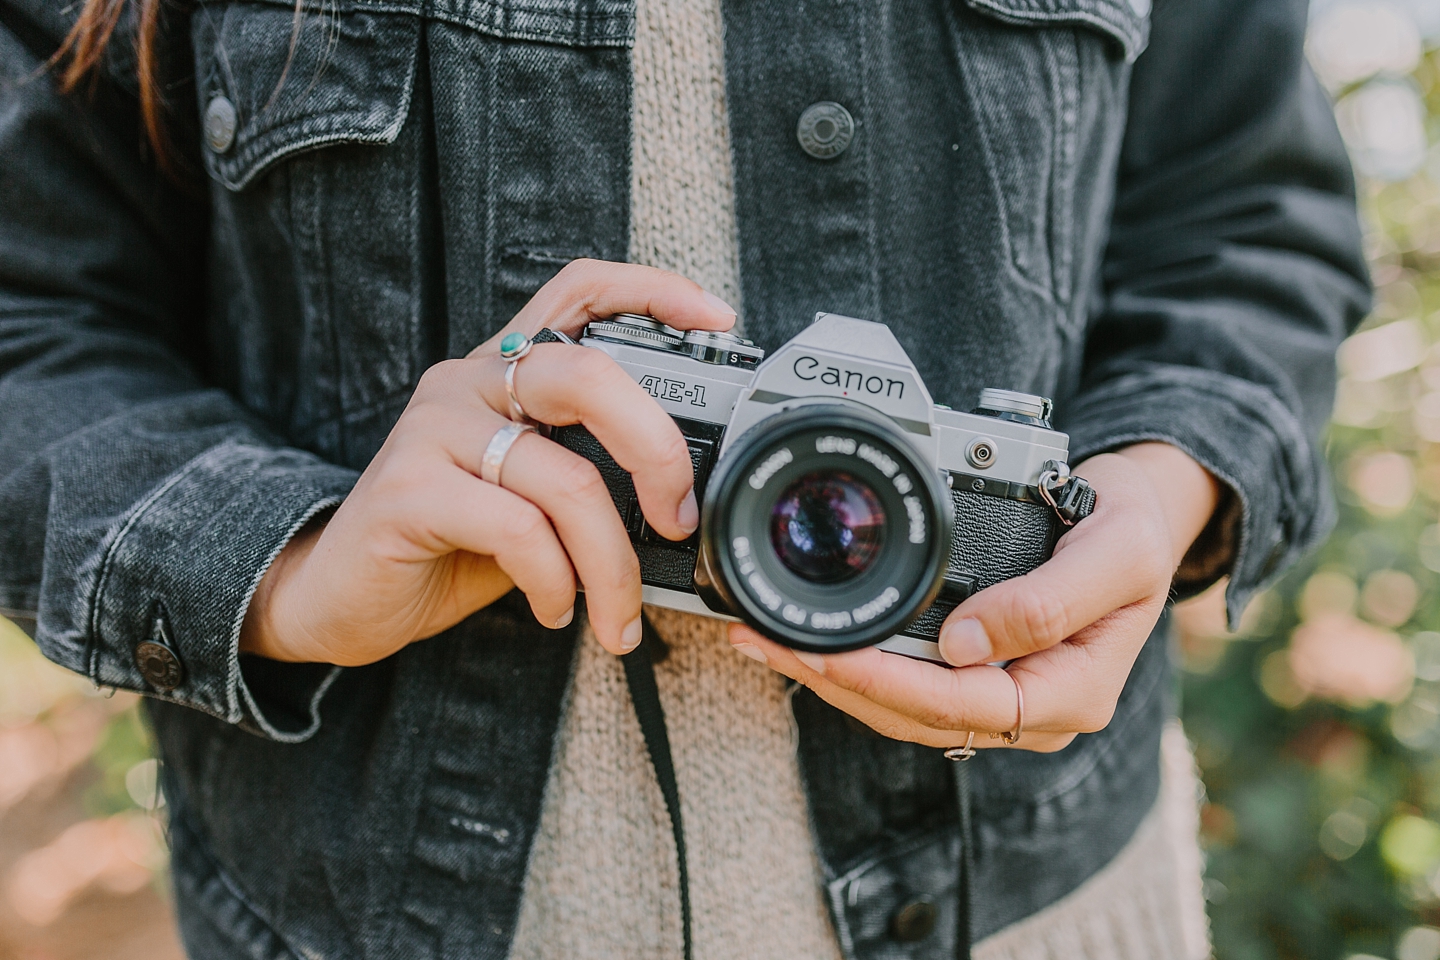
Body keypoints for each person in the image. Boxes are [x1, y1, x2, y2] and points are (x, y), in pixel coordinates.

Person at [0, 0, 1368, 956]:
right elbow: (29, 302)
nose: (818, 521)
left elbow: (1245, 215)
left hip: (1036, 912)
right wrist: (291, 571)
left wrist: (1157, 481)